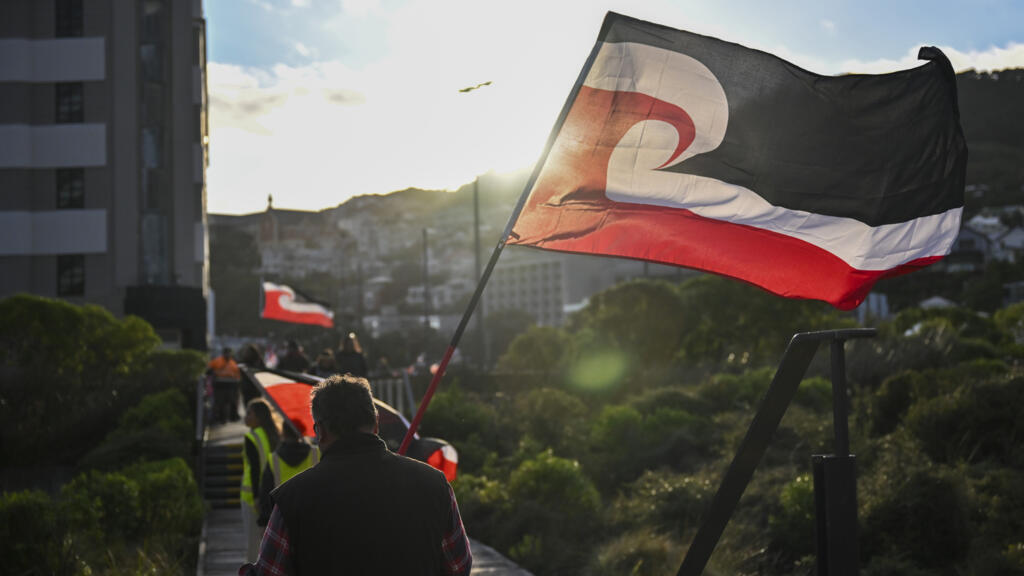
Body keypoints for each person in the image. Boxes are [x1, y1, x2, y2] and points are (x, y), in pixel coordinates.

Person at [239, 374, 472, 576]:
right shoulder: (434, 484)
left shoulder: (291, 500)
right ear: (376, 424)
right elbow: (458, 567)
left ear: (319, 432)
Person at [257, 418, 319, 527]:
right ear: (304, 431)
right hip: (312, 516)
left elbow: (265, 494)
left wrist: (264, 521)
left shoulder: (274, 459)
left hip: (282, 519)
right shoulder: (317, 453)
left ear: (283, 432)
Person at [241, 399, 280, 563]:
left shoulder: (251, 436)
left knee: (252, 542)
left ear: (258, 417)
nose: (246, 416)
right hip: (273, 491)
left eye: (249, 413)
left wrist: (257, 497)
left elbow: (255, 468)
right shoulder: (274, 434)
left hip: (252, 495)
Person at [207, 347, 241, 423]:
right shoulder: (217, 361)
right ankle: (219, 418)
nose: (228, 355)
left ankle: (231, 417)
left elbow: (237, 375)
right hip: (219, 386)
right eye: (226, 353)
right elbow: (209, 370)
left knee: (230, 402)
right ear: (223, 353)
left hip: (231, 386)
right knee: (220, 403)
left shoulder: (233, 363)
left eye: (229, 353)